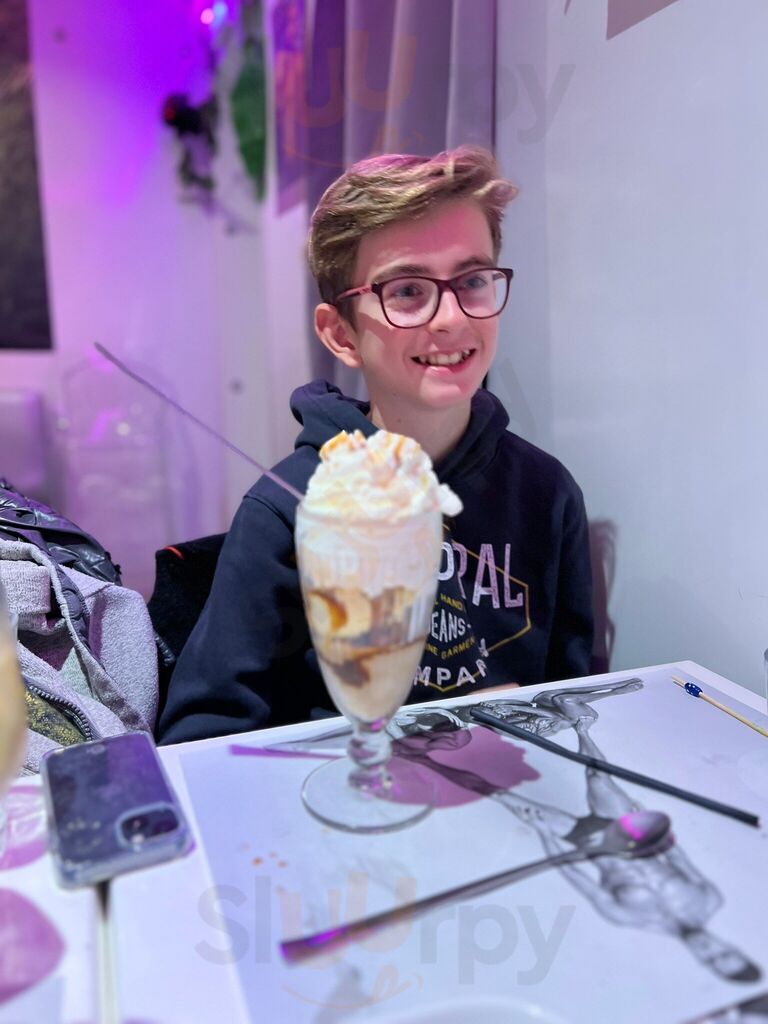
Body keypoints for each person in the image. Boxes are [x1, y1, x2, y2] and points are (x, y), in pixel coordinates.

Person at [158, 146, 594, 744]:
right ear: (341, 333)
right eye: (408, 291)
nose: (451, 318)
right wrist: (430, 737)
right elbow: (202, 736)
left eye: (472, 281)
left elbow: (578, 696)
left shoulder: (546, 493)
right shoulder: (288, 506)